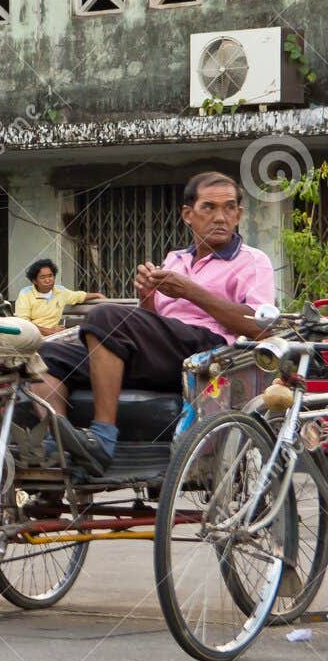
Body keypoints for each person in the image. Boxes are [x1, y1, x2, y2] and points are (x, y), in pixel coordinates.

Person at [34, 171, 275, 471]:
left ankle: (102, 437)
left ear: (239, 214)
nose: (220, 217)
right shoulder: (176, 259)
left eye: (228, 208)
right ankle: (58, 439)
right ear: (188, 214)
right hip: (160, 352)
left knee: (105, 315)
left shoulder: (252, 261)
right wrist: (148, 296)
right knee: (43, 356)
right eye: (209, 208)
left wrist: (190, 291)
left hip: (208, 352)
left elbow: (259, 325)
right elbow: (156, 321)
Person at [13, 258, 102, 337]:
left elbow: (78, 296)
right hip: (32, 337)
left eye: (50, 276)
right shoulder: (25, 294)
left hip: (54, 336)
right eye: (42, 277)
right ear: (34, 281)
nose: (48, 280)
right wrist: (48, 331)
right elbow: (23, 322)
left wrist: (97, 295)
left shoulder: (60, 291)